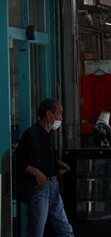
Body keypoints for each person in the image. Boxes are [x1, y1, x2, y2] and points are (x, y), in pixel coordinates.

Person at [14, 99, 74, 237]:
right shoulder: (31, 134)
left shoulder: (49, 134)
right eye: (59, 114)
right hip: (41, 189)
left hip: (54, 186)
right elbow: (18, 160)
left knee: (65, 229)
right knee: (36, 231)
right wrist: (36, 172)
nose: (61, 118)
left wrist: (57, 164)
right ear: (49, 114)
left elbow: (44, 158)